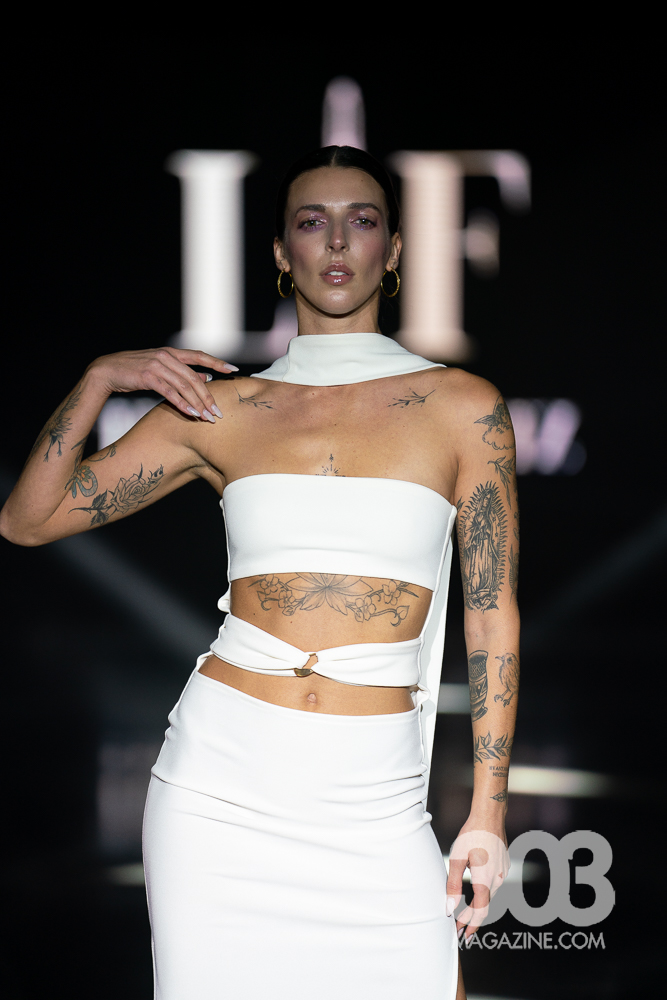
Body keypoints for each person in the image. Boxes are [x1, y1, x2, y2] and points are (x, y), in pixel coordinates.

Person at [0, 145, 519, 1000]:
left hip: (373, 800)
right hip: (219, 795)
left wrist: (489, 811)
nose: (337, 242)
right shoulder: (222, 410)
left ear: (393, 249)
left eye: (361, 221)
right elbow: (28, 519)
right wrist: (97, 382)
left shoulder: (465, 408)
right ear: (281, 252)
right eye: (312, 222)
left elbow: (490, 614)